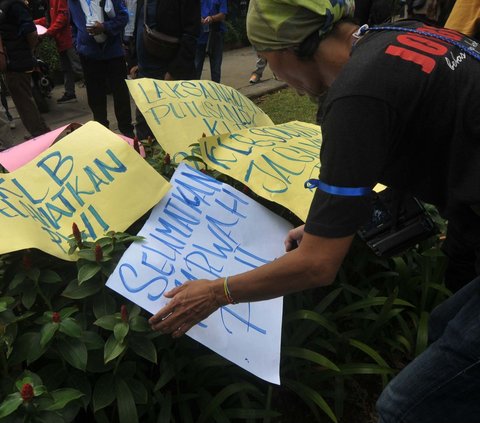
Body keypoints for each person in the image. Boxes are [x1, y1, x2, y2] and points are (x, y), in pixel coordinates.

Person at [149, 0, 480, 421]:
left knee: (404, 408)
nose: (278, 76)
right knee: (447, 327)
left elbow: (318, 266)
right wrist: (332, 223)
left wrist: (218, 292)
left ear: (287, 51)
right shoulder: (403, 34)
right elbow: (433, 125)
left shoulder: (356, 95)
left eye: (269, 63)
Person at [129, 0, 199, 140]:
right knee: (145, 132)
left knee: (174, 135)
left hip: (171, 78)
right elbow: (141, 24)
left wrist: (174, 72)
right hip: (145, 77)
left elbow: (191, 35)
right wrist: (135, 61)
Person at [68, 0, 134, 137]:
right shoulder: (73, 2)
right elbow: (72, 25)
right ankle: (102, 133)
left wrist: (105, 27)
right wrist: (77, 43)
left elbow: (124, 17)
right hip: (89, 55)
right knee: (95, 96)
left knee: (120, 94)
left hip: (113, 53)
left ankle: (127, 132)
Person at [0, 0, 50, 140]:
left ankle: (39, 135)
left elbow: (31, 32)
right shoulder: (9, 5)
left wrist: (28, 50)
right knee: (25, 99)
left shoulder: (13, 5)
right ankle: (42, 131)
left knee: (23, 101)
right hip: (15, 60)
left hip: (16, 62)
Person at [34, 0, 78, 103]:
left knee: (78, 66)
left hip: (68, 39)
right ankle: (70, 93)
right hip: (61, 40)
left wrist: (49, 32)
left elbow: (63, 18)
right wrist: (34, 23)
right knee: (67, 68)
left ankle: (99, 88)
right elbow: (51, 19)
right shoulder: (49, 3)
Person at [194, 0, 227, 83]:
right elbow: (190, 11)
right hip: (200, 35)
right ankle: (194, 89)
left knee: (216, 67)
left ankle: (216, 90)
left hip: (215, 33)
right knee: (196, 66)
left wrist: (212, 18)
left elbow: (223, 14)